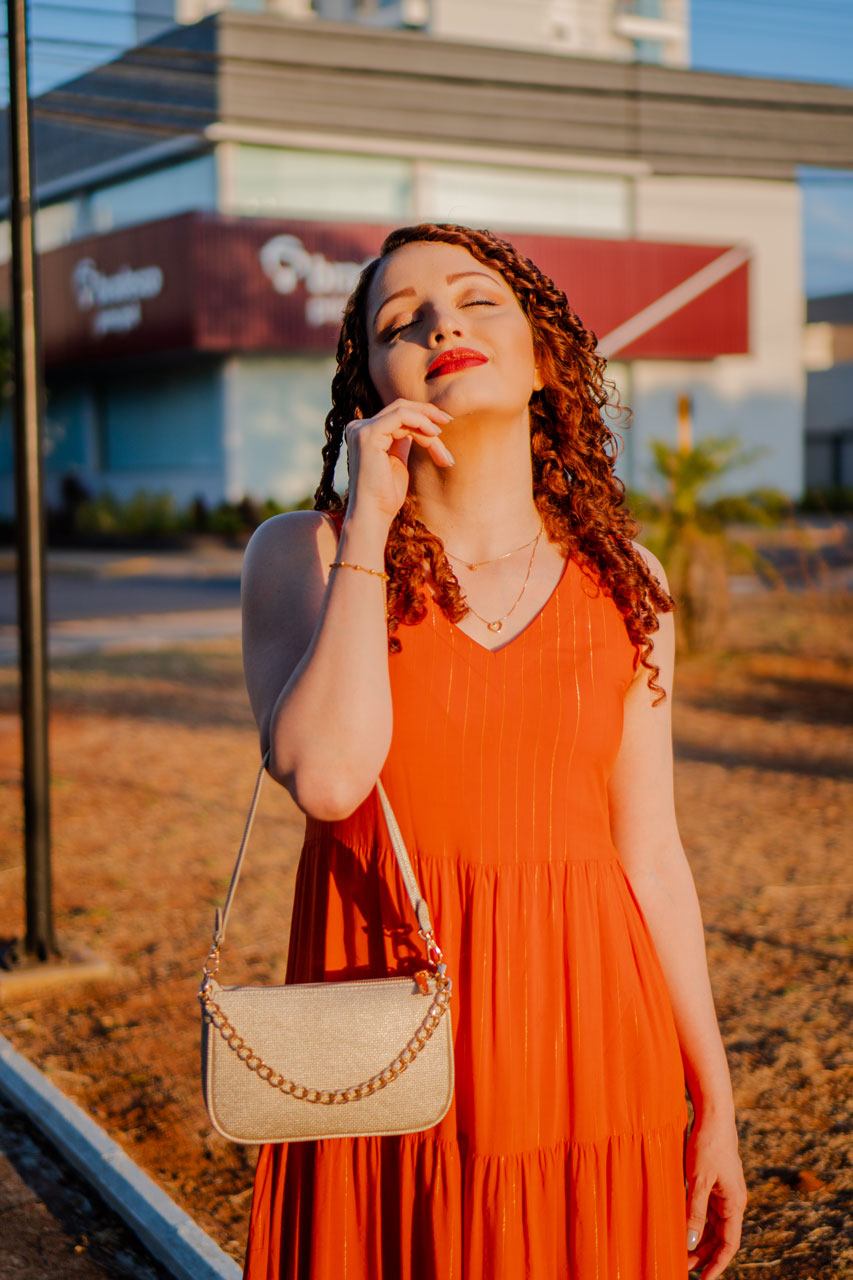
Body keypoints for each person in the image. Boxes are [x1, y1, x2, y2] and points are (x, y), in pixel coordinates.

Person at [239, 222, 747, 1280]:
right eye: (398, 320)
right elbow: (329, 780)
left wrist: (717, 1099)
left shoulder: (628, 580)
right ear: (371, 379)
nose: (438, 323)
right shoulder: (309, 552)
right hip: (384, 1053)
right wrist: (373, 519)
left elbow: (650, 853)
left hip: (592, 1041)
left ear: (546, 357)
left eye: (476, 301)